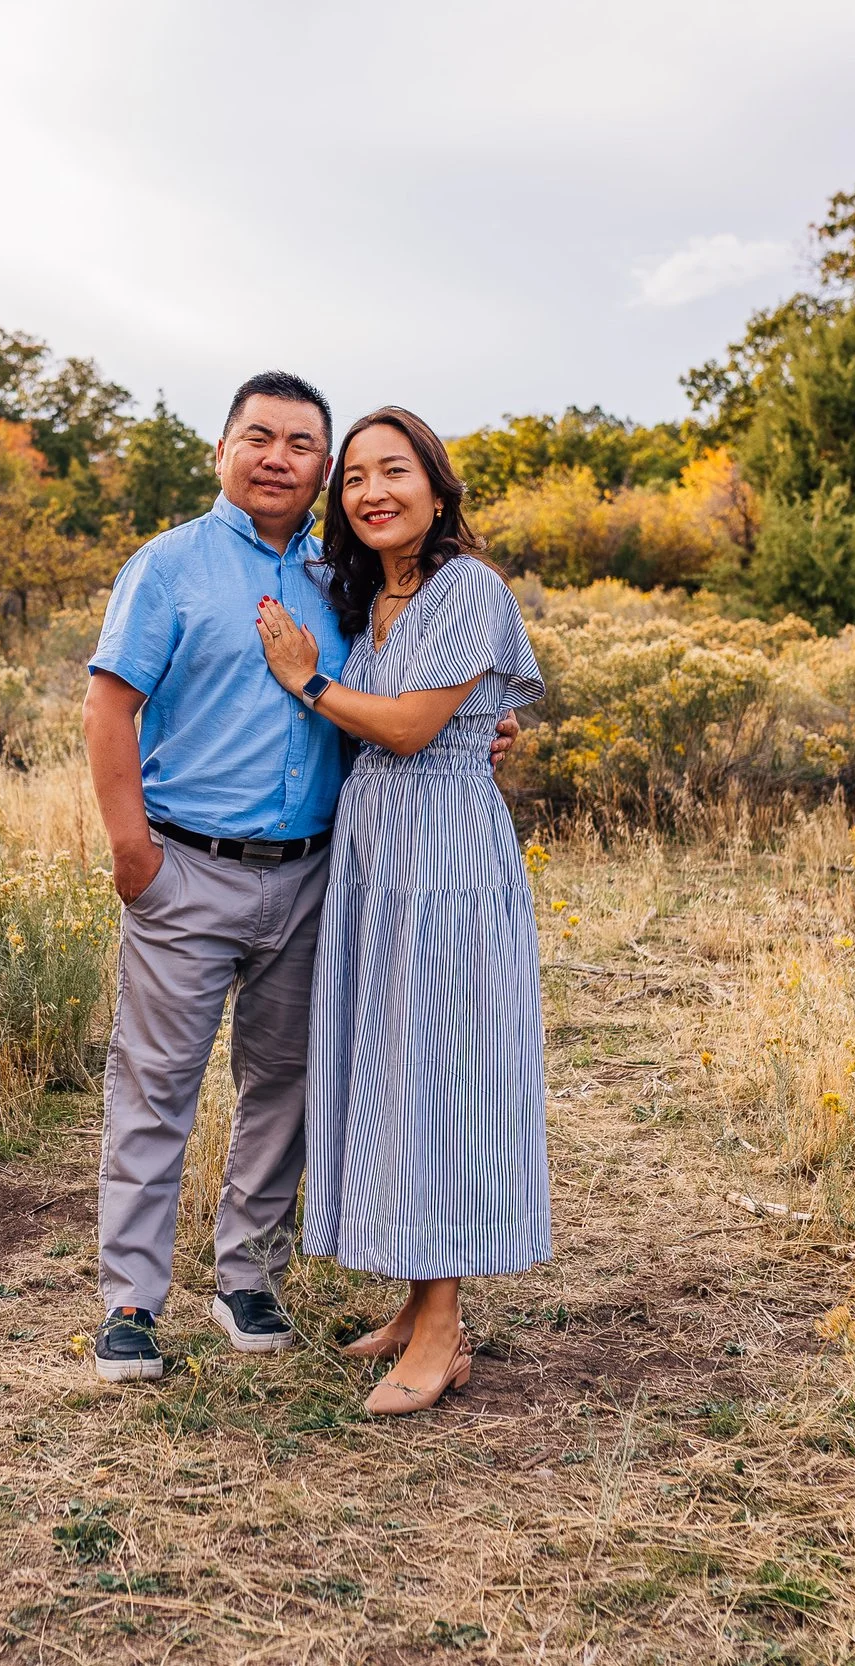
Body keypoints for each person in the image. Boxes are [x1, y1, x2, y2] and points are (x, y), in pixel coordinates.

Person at [83, 372, 515, 1383]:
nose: (279, 457)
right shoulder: (170, 567)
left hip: (320, 875)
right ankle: (131, 1304)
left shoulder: (343, 577)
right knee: (155, 1090)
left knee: (282, 1087)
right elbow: (108, 710)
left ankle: (249, 1278)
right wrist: (132, 854)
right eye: (258, 437)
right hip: (187, 867)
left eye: (301, 443)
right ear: (222, 451)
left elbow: (414, 686)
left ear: (319, 467)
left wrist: (481, 721)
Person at [254, 405, 551, 1415]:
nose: (372, 492)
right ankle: (417, 1306)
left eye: (395, 471)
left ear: (435, 487)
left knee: (443, 1069)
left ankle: (442, 1331)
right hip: (378, 859)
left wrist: (306, 679)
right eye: (354, 478)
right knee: (399, 1066)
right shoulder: (369, 596)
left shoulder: (467, 586)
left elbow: (418, 727)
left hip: (446, 866)